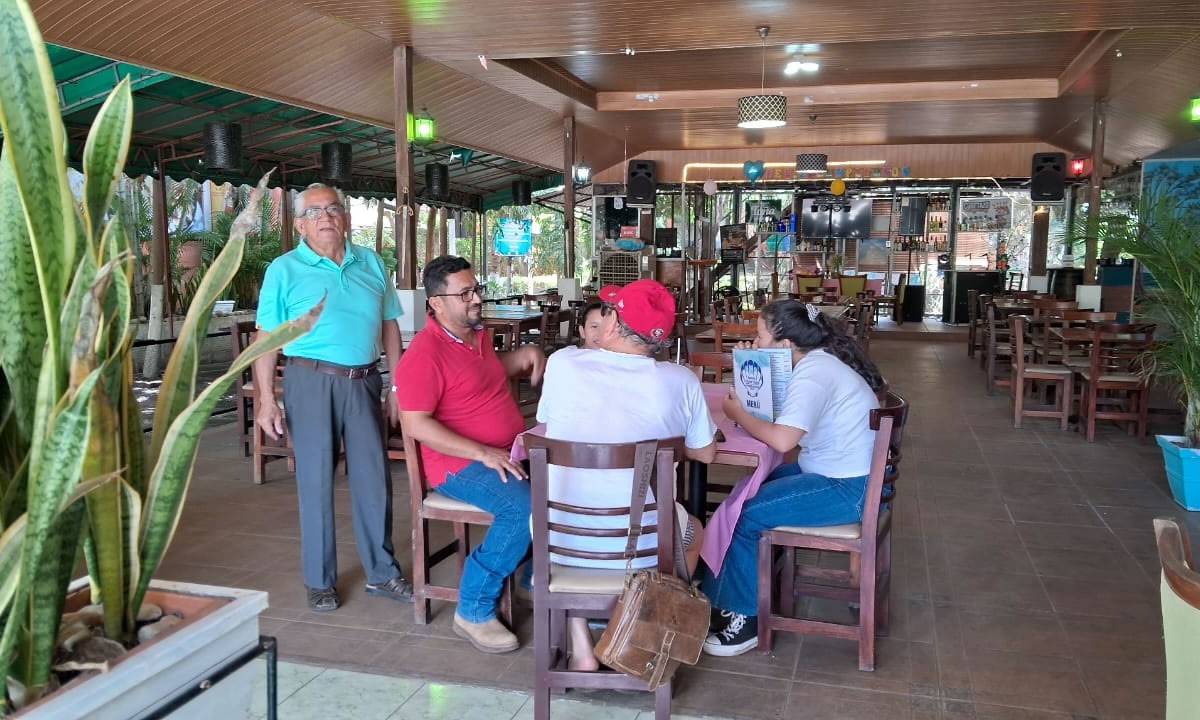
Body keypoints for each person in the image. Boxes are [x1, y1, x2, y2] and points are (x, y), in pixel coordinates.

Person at [537, 279, 717, 671]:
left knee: (573, 507)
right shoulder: (681, 380)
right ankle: (640, 627)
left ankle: (582, 644)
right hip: (646, 544)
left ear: (615, 324)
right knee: (696, 531)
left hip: (558, 536)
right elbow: (706, 452)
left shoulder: (562, 364)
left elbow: (550, 422)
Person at [254, 183, 411, 613]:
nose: (326, 216)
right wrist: (267, 399)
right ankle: (319, 580)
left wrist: (397, 385)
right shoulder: (283, 270)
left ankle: (382, 573)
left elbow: (390, 327)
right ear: (300, 224)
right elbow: (266, 338)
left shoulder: (372, 262)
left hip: (363, 381)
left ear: (346, 218)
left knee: (373, 480)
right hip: (310, 380)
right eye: (315, 211)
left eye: (334, 208)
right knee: (316, 480)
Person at [701, 300, 886, 657]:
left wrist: (735, 412)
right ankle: (724, 593)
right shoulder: (816, 363)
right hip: (840, 475)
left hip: (847, 488)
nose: (754, 343)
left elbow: (783, 439)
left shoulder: (814, 373)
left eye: (759, 337)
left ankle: (746, 618)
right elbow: (776, 414)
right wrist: (749, 366)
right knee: (747, 491)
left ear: (786, 346)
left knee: (747, 513)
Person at [395, 255, 546, 654]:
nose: (476, 298)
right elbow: (416, 425)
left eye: (476, 289)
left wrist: (526, 354)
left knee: (570, 480)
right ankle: (473, 609)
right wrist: (484, 453)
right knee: (524, 508)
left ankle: (533, 578)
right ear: (437, 304)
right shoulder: (423, 356)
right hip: (457, 465)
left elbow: (485, 374)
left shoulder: (476, 337)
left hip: (505, 451)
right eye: (465, 293)